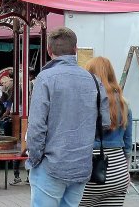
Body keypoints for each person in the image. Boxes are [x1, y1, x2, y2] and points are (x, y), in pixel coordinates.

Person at [26, 27, 110, 207]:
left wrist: (35, 159)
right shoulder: (94, 80)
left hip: (50, 164)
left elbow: (36, 127)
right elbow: (104, 123)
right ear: (75, 49)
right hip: (81, 164)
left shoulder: (45, 78)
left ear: (49, 51)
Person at [79, 56, 133, 207]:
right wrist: (126, 170)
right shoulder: (124, 103)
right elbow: (128, 144)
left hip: (89, 169)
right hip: (118, 170)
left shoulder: (84, 101)